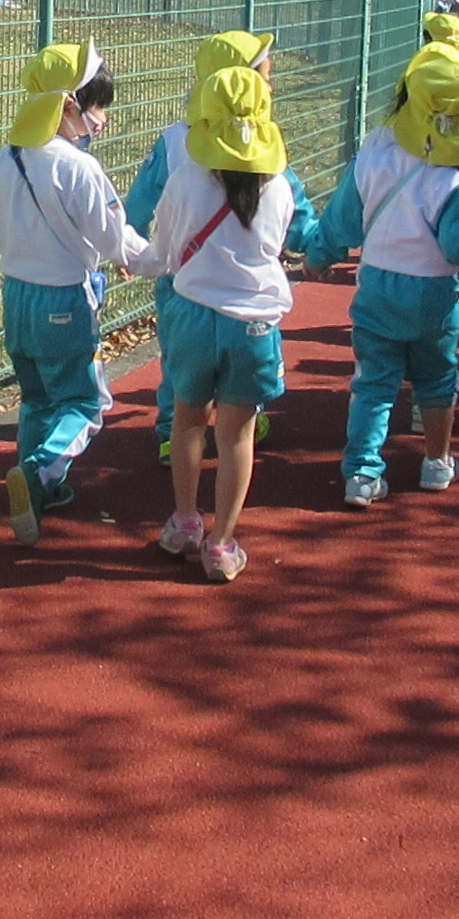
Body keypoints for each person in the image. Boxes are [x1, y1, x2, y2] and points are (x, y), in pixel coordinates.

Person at [0, 40, 146, 544]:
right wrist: (164, 260)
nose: (102, 119)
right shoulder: (79, 168)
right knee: (85, 403)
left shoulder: (5, 160)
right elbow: (116, 240)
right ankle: (39, 471)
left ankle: (39, 490)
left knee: (36, 398)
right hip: (66, 301)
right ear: (69, 105)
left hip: (17, 300)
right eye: (97, 106)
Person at [127, 67, 312, 581]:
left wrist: (132, 257)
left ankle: (185, 521)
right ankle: (223, 543)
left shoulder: (187, 177)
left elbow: (165, 251)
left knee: (188, 420)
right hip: (253, 323)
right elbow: (278, 243)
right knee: (237, 435)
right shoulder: (278, 185)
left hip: (191, 314)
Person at [307, 49, 459, 504]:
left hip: (378, 285)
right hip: (436, 293)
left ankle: (362, 473)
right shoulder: (457, 180)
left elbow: (341, 223)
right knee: (437, 380)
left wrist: (319, 255)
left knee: (374, 384)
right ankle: (437, 462)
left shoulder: (372, 160)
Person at [124, 32, 277, 459]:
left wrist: (131, 246)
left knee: (180, 357)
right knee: (241, 354)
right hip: (239, 278)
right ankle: (240, 419)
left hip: (181, 272)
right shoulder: (261, 140)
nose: (271, 85)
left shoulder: (174, 138)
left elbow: (140, 201)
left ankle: (173, 431)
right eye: (265, 75)